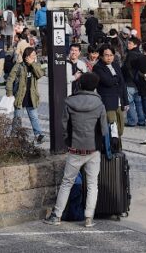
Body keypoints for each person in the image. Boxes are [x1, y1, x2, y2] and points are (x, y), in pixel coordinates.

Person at [43, 72, 109, 228]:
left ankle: (56, 216)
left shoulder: (69, 102)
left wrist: (69, 141)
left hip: (75, 148)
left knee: (67, 183)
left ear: (80, 84)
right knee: (93, 184)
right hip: (93, 149)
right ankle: (88, 218)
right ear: (94, 86)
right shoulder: (99, 104)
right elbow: (104, 129)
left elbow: (64, 125)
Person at [5, 46, 45, 142]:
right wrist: (9, 92)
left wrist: (32, 64)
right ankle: (14, 135)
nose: (34, 57)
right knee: (17, 117)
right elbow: (10, 79)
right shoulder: (18, 66)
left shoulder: (36, 65)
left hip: (31, 96)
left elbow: (40, 74)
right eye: (32, 55)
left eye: (35, 55)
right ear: (26, 56)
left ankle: (38, 134)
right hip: (20, 96)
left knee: (34, 117)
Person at [92, 44, 129, 139]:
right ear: (101, 56)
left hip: (119, 101)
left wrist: (126, 101)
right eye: (106, 55)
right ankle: (113, 150)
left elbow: (123, 84)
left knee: (120, 129)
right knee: (113, 128)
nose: (109, 57)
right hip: (108, 102)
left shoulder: (116, 65)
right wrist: (116, 77)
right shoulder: (98, 67)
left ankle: (117, 148)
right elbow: (107, 81)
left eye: (111, 55)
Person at [123, 36, 146, 127]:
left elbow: (127, 68)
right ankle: (141, 120)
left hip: (129, 81)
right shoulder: (140, 55)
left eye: (130, 43)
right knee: (139, 103)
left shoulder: (130, 55)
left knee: (130, 102)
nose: (128, 45)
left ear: (135, 45)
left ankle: (132, 121)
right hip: (139, 83)